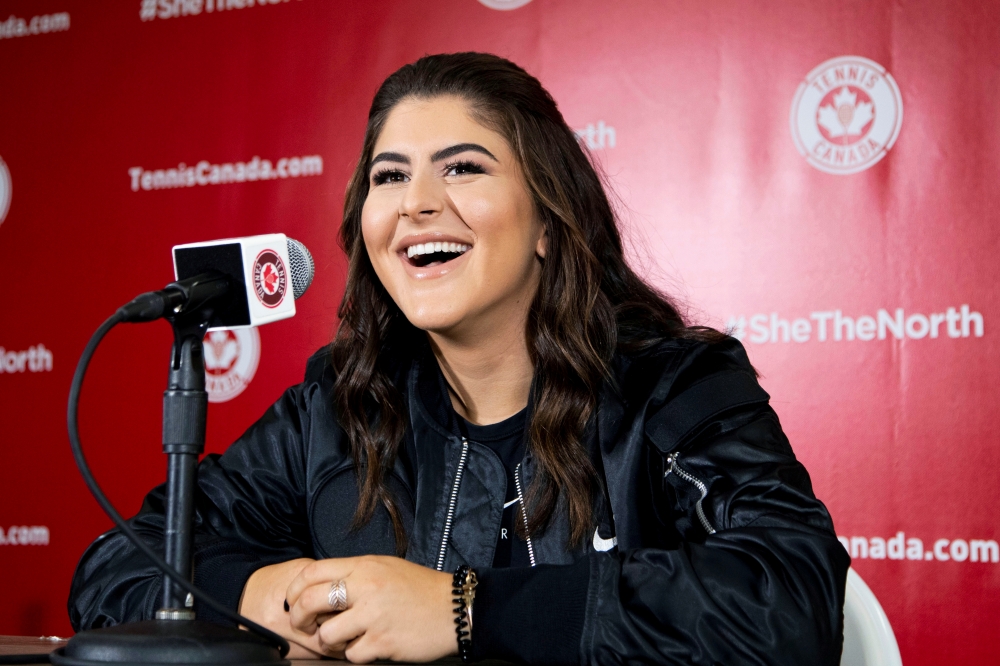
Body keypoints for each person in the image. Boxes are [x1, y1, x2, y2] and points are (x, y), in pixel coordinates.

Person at [69, 52, 849, 665]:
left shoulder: (673, 384)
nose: (417, 201)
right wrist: (266, 595)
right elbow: (116, 566)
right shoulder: (336, 410)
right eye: (390, 176)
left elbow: (789, 598)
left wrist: (464, 611)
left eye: (463, 167)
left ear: (549, 220)